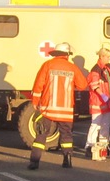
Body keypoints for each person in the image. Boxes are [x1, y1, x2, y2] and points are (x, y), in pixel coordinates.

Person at [28, 41, 88, 170]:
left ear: (56, 53)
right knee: (66, 135)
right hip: (65, 110)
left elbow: (39, 84)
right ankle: (67, 160)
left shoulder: (48, 65)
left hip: (48, 108)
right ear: (67, 54)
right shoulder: (72, 67)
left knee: (42, 133)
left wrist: (35, 101)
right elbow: (83, 85)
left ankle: (34, 162)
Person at [85, 44, 110, 156]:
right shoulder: (96, 70)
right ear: (101, 56)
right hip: (98, 102)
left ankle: (103, 147)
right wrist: (103, 95)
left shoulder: (106, 69)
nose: (109, 59)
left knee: (105, 125)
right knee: (95, 124)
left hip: (106, 102)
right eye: (107, 57)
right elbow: (94, 85)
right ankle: (89, 146)